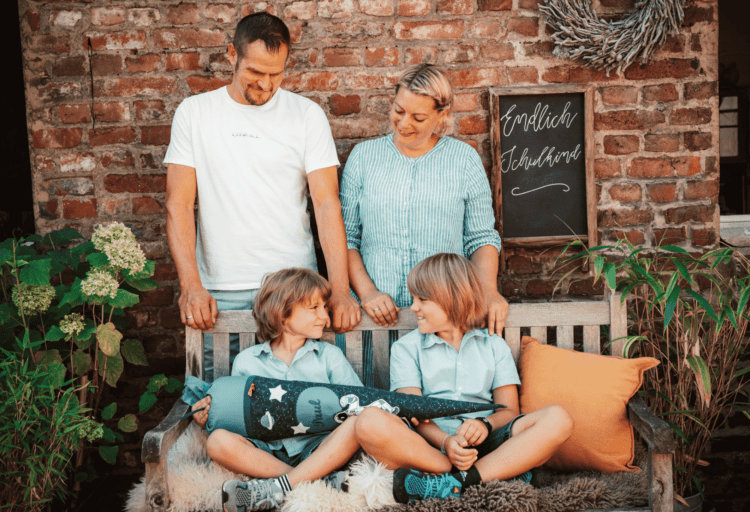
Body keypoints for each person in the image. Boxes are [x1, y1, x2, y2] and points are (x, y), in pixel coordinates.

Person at [165, 12, 360, 381]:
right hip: (221, 291)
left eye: (276, 73)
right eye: (255, 72)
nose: (266, 84)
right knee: (218, 404)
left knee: (303, 407)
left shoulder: (307, 115)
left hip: (296, 290)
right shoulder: (195, 114)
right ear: (230, 55)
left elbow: (326, 203)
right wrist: (190, 285)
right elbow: (178, 204)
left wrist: (339, 289)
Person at [354, 253, 573, 503]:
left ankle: (454, 483)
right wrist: (447, 442)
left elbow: (510, 411)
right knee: (368, 422)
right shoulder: (406, 348)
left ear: (452, 299)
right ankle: (495, 473)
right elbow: (413, 413)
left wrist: (485, 424)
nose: (413, 307)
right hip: (429, 447)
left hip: (487, 444)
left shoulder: (493, 345)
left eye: (422, 299)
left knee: (559, 418)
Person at [340, 64, 508, 337]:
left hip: (445, 316)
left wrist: (488, 292)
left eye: (418, 117)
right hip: (375, 317)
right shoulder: (363, 158)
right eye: (399, 110)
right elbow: (346, 237)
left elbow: (481, 238)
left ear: (441, 116)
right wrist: (368, 292)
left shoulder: (464, 159)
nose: (404, 123)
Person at [190, 268, 364, 512]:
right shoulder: (247, 361)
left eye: (324, 308)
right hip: (267, 452)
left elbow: (359, 403)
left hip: (320, 448)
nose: (324, 316)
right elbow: (234, 417)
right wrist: (204, 417)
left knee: (356, 426)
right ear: (282, 314)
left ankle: (278, 487)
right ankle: (314, 481)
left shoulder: (329, 357)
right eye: (314, 308)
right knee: (217, 442)